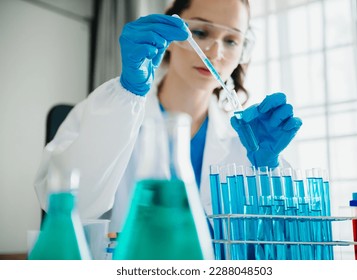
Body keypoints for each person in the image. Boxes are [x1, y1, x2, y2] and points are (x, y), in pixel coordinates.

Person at [34, 0, 302, 233]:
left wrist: (267, 170)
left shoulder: (243, 141)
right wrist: (129, 93)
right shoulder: (111, 110)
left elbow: (276, 244)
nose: (215, 53)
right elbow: (64, 203)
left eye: (231, 40)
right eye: (200, 32)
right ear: (171, 34)